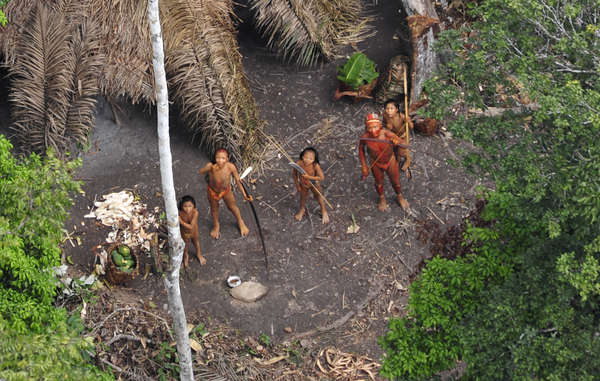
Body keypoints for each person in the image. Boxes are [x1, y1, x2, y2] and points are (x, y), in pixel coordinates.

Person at [359, 113, 410, 211]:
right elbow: (361, 149)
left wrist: (397, 142)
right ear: (366, 128)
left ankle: (399, 196)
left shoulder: (386, 134)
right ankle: (382, 198)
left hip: (389, 161)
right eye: (370, 128)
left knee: (395, 182)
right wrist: (364, 166)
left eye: (375, 127)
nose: (373, 131)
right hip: (376, 163)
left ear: (380, 126)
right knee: (378, 182)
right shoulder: (364, 137)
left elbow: (405, 144)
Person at [199, 148, 252, 239]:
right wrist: (206, 169)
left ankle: (240, 221)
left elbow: (238, 181)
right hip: (212, 192)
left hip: (226, 191)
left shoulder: (230, 167)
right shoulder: (211, 166)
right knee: (214, 209)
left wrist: (244, 195)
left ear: (227, 159)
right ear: (215, 158)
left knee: (232, 206)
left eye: (223, 158)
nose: (220, 160)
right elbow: (201, 172)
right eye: (218, 158)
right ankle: (216, 226)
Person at [292, 147, 330, 224]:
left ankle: (323, 210)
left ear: (314, 160)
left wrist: (308, 177)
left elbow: (321, 177)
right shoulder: (299, 164)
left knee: (318, 196)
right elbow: (294, 175)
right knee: (303, 197)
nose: (307, 160)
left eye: (310, 158)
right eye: (305, 157)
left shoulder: (315, 165)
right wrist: (297, 185)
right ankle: (302, 210)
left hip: (314, 184)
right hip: (303, 184)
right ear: (302, 156)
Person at [383, 99, 413, 178]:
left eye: (391, 109)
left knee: (402, 151)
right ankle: (397, 159)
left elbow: (411, 127)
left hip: (403, 136)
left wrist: (408, 121)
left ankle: (408, 159)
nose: (389, 111)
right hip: (393, 136)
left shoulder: (401, 116)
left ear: (396, 110)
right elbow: (384, 123)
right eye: (387, 108)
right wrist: (387, 126)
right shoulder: (385, 115)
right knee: (393, 149)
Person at [178, 195, 206, 267]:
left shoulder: (195, 213)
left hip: (194, 231)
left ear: (194, 206)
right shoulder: (180, 213)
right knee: (185, 245)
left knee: (196, 242)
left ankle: (199, 254)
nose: (187, 209)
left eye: (190, 206)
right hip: (185, 233)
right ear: (181, 206)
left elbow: (191, 227)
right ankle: (186, 256)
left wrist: (181, 222)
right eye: (185, 206)